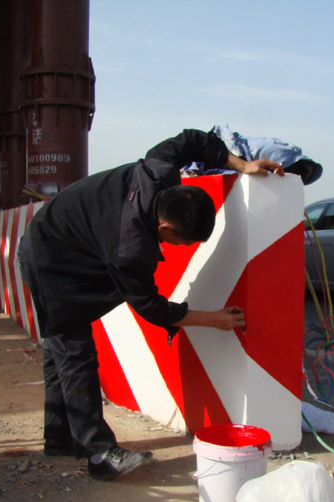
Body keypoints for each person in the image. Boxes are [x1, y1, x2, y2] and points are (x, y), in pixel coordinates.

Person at [18, 128, 283, 481]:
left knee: (58, 349)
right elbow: (151, 308)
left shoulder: (159, 170)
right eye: (185, 242)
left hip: (59, 235)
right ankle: (99, 453)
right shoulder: (130, 249)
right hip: (50, 261)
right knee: (74, 351)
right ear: (165, 227)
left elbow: (192, 139)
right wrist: (213, 319)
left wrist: (241, 165)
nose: (186, 248)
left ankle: (60, 439)